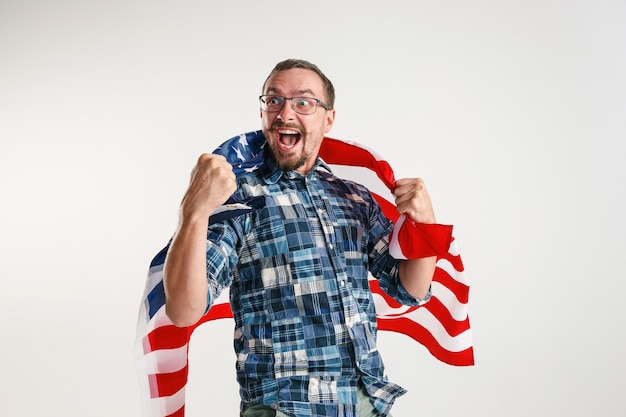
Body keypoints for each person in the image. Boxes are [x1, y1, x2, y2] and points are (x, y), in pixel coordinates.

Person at [162, 59, 439, 417]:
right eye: (273, 100)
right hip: (286, 407)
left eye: (303, 102)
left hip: (365, 403)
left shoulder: (353, 197)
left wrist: (425, 224)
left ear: (328, 119)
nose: (284, 112)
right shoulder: (238, 198)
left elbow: (410, 289)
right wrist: (193, 213)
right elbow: (183, 311)